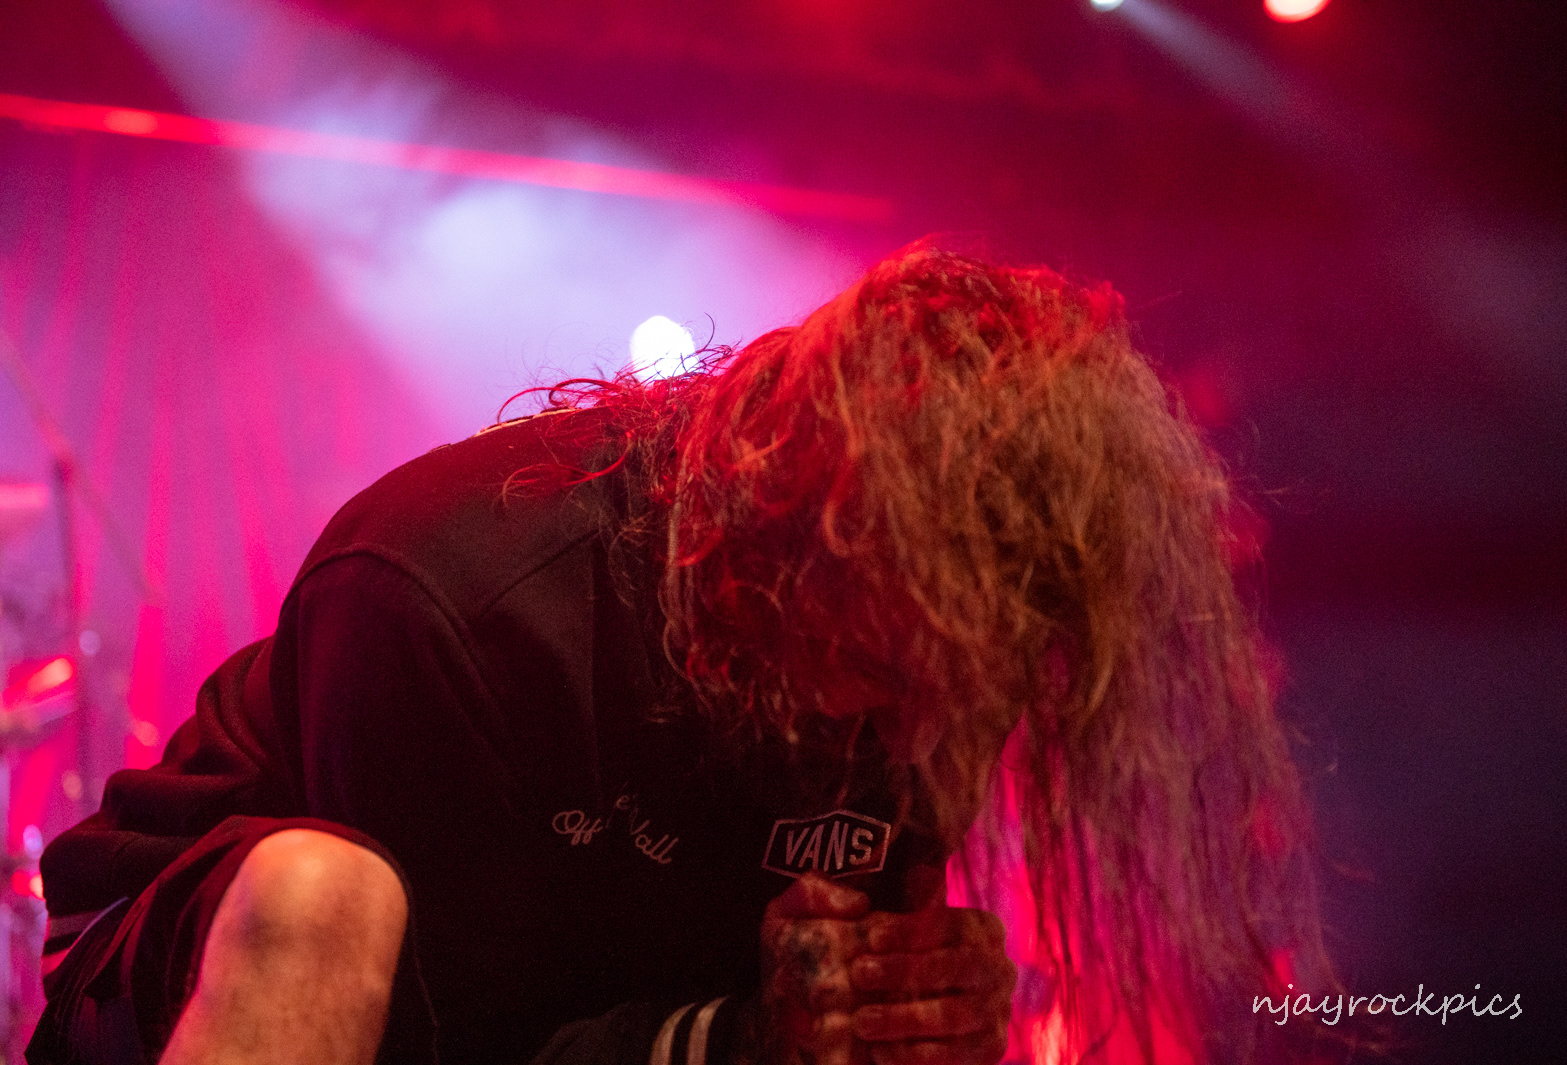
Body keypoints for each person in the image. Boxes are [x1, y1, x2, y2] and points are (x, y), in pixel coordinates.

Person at [27, 245, 1325, 1065]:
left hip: (573, 1013)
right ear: (807, 535)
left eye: (966, 689)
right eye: (900, 667)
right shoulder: (453, 590)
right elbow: (434, 1042)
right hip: (191, 971)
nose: (918, 732)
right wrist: (743, 1036)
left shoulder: (924, 666)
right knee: (326, 899)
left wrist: (894, 1010)